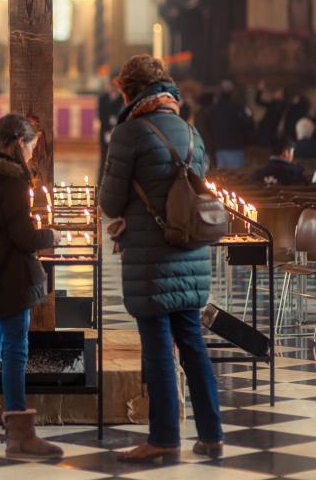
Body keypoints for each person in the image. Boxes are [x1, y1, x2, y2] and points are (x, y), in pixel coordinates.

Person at [100, 54, 222, 463]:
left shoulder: (130, 133)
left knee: (157, 348)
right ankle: (211, 434)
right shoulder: (192, 132)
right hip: (190, 251)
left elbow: (111, 201)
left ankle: (164, 438)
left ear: (128, 91)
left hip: (152, 260)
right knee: (192, 344)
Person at [0, 114, 63, 458]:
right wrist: (51, 235)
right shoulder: (13, 179)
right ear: (20, 141)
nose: (33, 154)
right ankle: (20, 434)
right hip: (11, 276)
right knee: (16, 351)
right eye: (33, 146)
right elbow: (22, 237)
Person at [207, 80, 253, 168]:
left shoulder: (213, 109)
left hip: (219, 146)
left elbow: (209, 125)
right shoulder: (238, 107)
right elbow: (248, 123)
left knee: (223, 177)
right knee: (236, 177)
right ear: (233, 92)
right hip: (235, 146)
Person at [98, 71, 123, 179]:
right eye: (113, 84)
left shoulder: (122, 99)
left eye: (117, 85)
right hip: (105, 132)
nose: (114, 87)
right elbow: (101, 115)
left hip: (118, 133)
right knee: (104, 160)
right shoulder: (103, 98)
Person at [255, 82, 286, 147]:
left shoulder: (280, 105)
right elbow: (258, 101)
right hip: (267, 130)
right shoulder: (273, 104)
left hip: (270, 131)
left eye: (278, 93)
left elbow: (258, 101)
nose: (275, 94)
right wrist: (260, 90)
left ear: (282, 96)